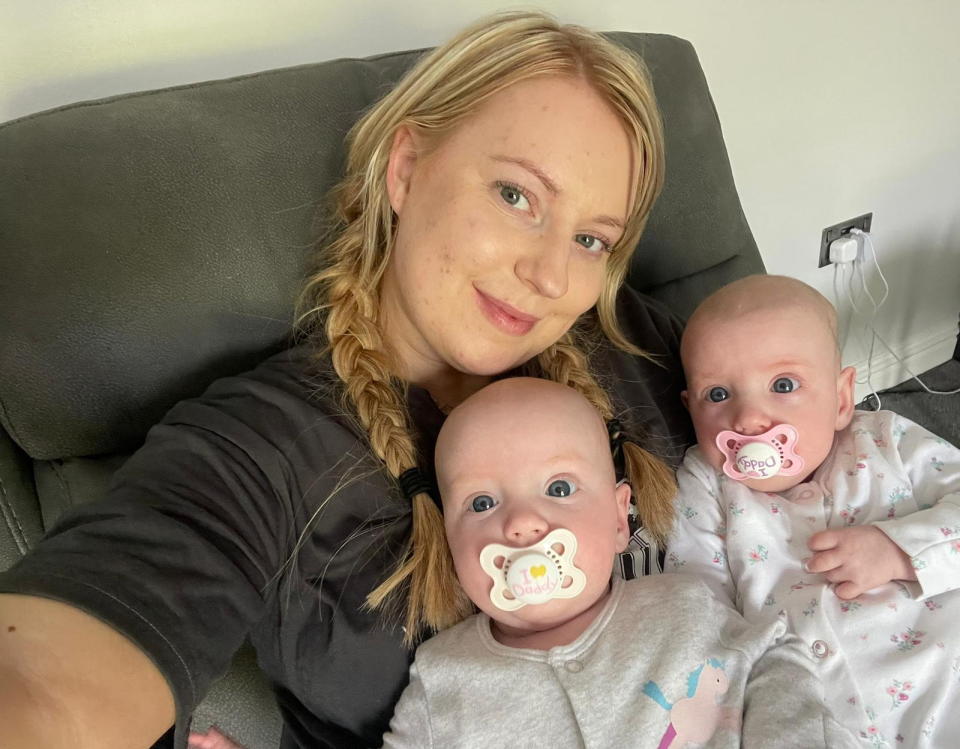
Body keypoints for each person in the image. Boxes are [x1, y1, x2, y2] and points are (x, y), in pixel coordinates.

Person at [0, 12, 693, 749]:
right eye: (517, 196)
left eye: (591, 239)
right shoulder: (264, 449)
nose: (551, 276)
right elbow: (48, 683)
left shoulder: (635, 346)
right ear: (406, 169)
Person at [381, 377, 858, 748]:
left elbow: (773, 662)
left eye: (559, 489)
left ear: (617, 519)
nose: (521, 523)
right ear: (447, 538)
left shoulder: (681, 603)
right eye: (482, 503)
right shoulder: (442, 674)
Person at [667, 274, 960, 746]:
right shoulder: (705, 481)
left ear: (842, 398)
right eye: (717, 395)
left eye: (783, 384)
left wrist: (903, 551)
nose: (747, 419)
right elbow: (697, 601)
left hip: (942, 689)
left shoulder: (887, 441)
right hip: (808, 719)